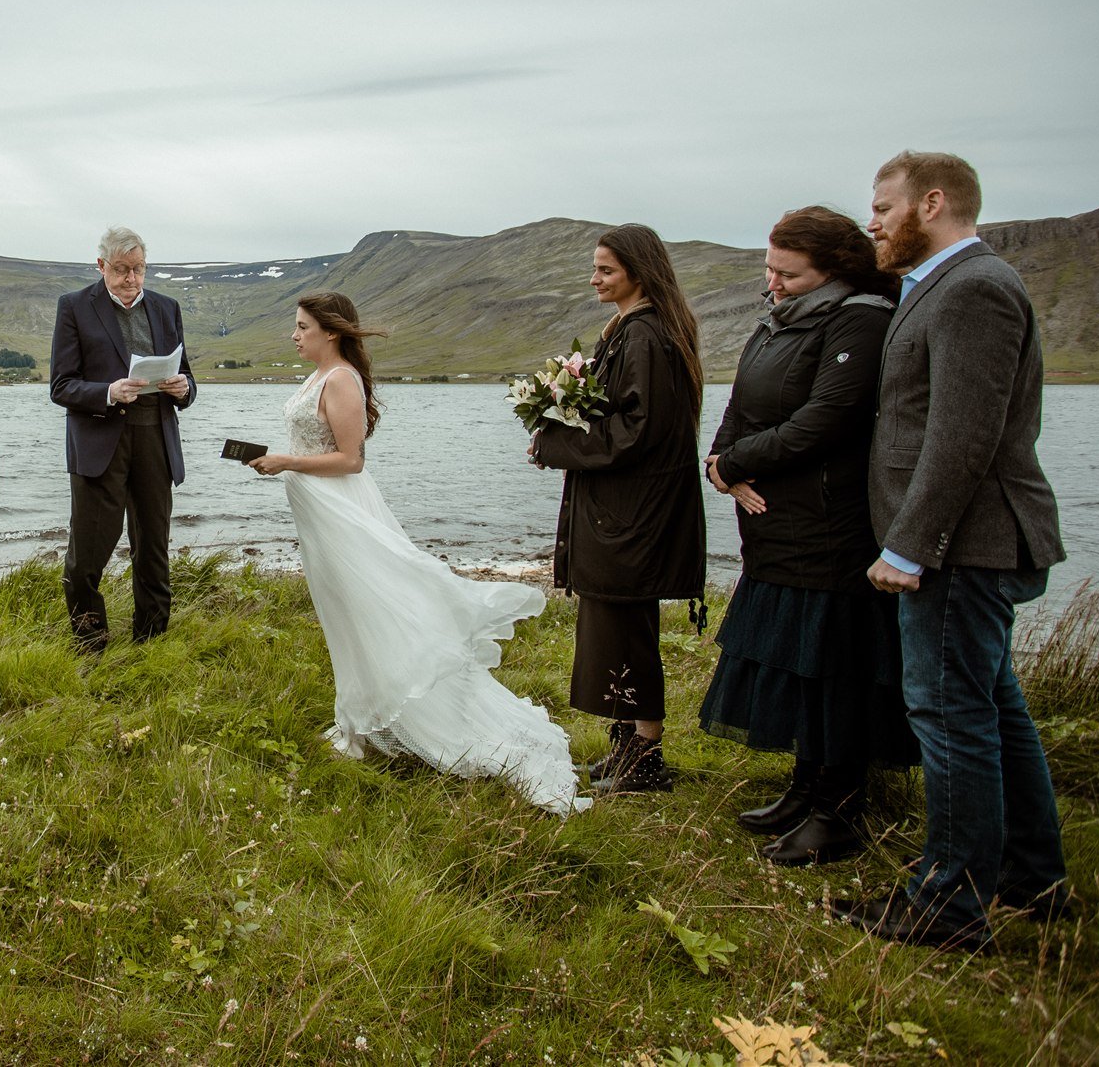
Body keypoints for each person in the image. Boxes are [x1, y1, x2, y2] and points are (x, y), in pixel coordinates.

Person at [831, 151, 1068, 952]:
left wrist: (910, 545)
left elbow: (961, 436)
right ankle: (1032, 875)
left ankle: (951, 900)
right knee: (993, 707)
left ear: (932, 203)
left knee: (950, 714)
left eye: (882, 205)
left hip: (961, 546)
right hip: (958, 544)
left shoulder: (974, 289)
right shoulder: (941, 284)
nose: (872, 221)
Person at [247, 294, 586, 815]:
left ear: (331, 332)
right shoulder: (318, 376)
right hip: (317, 514)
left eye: (302, 327)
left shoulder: (341, 379)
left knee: (368, 612)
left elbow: (351, 460)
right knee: (343, 617)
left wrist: (285, 461)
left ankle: (373, 723)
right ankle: (356, 719)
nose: (294, 336)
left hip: (342, 514)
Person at [697, 206, 918, 865]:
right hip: (775, 527)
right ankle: (804, 786)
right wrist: (718, 460)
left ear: (832, 269)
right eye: (769, 268)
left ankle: (839, 807)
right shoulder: (778, 321)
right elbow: (739, 403)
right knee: (798, 660)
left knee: (834, 667)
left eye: (788, 273)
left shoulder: (860, 318)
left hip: (830, 525)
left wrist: (737, 463)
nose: (773, 282)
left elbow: (830, 415)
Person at [530, 224, 706, 797]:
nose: (595, 279)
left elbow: (636, 430)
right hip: (626, 513)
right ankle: (627, 750)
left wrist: (554, 443)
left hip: (633, 518)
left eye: (605, 269)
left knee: (628, 629)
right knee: (618, 628)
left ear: (638, 270)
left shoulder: (644, 337)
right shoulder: (637, 331)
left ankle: (644, 762)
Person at [48, 226, 197, 651]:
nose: (131, 278)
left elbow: (187, 376)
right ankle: (90, 645)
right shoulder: (75, 306)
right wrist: (108, 392)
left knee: (152, 547)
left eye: (138, 269)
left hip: (155, 438)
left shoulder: (167, 308)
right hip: (100, 441)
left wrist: (184, 388)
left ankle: (150, 643)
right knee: (87, 555)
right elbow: (61, 386)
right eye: (121, 269)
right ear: (101, 266)